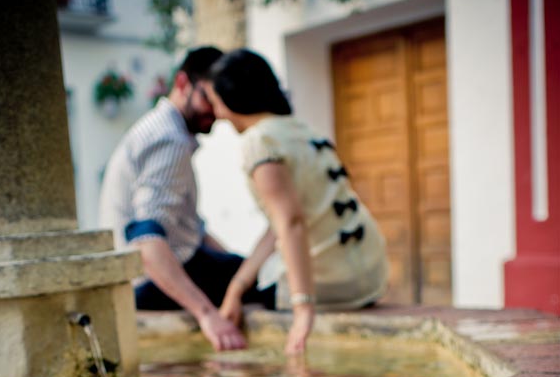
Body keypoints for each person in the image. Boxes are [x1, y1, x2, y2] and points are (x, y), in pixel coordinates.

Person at [204, 49, 389, 354]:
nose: (218, 114)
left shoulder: (259, 141)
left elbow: (291, 223)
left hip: (331, 283)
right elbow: (282, 223)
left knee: (204, 280)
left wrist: (303, 310)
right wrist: (238, 287)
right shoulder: (301, 129)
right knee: (237, 278)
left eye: (216, 102)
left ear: (232, 98)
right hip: (370, 274)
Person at [99, 47, 274, 352]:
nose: (218, 110)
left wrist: (239, 272)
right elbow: (147, 243)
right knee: (271, 288)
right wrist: (207, 315)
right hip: (145, 285)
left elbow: (191, 232)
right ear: (182, 83)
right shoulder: (169, 140)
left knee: (247, 272)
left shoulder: (162, 130)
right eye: (209, 97)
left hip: (160, 270)